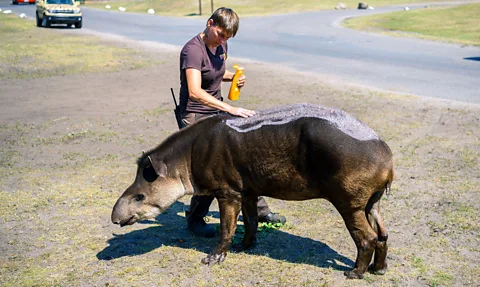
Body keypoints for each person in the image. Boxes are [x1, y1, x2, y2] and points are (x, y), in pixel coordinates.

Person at [179, 7, 286, 238]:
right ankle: (195, 220)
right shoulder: (193, 51)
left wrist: (233, 77)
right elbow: (195, 91)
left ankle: (259, 211)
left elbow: (216, 72)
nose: (223, 40)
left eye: (228, 37)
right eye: (220, 34)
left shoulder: (221, 45)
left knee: (239, 161)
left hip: (215, 111)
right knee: (208, 171)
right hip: (195, 116)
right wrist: (230, 108)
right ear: (209, 23)